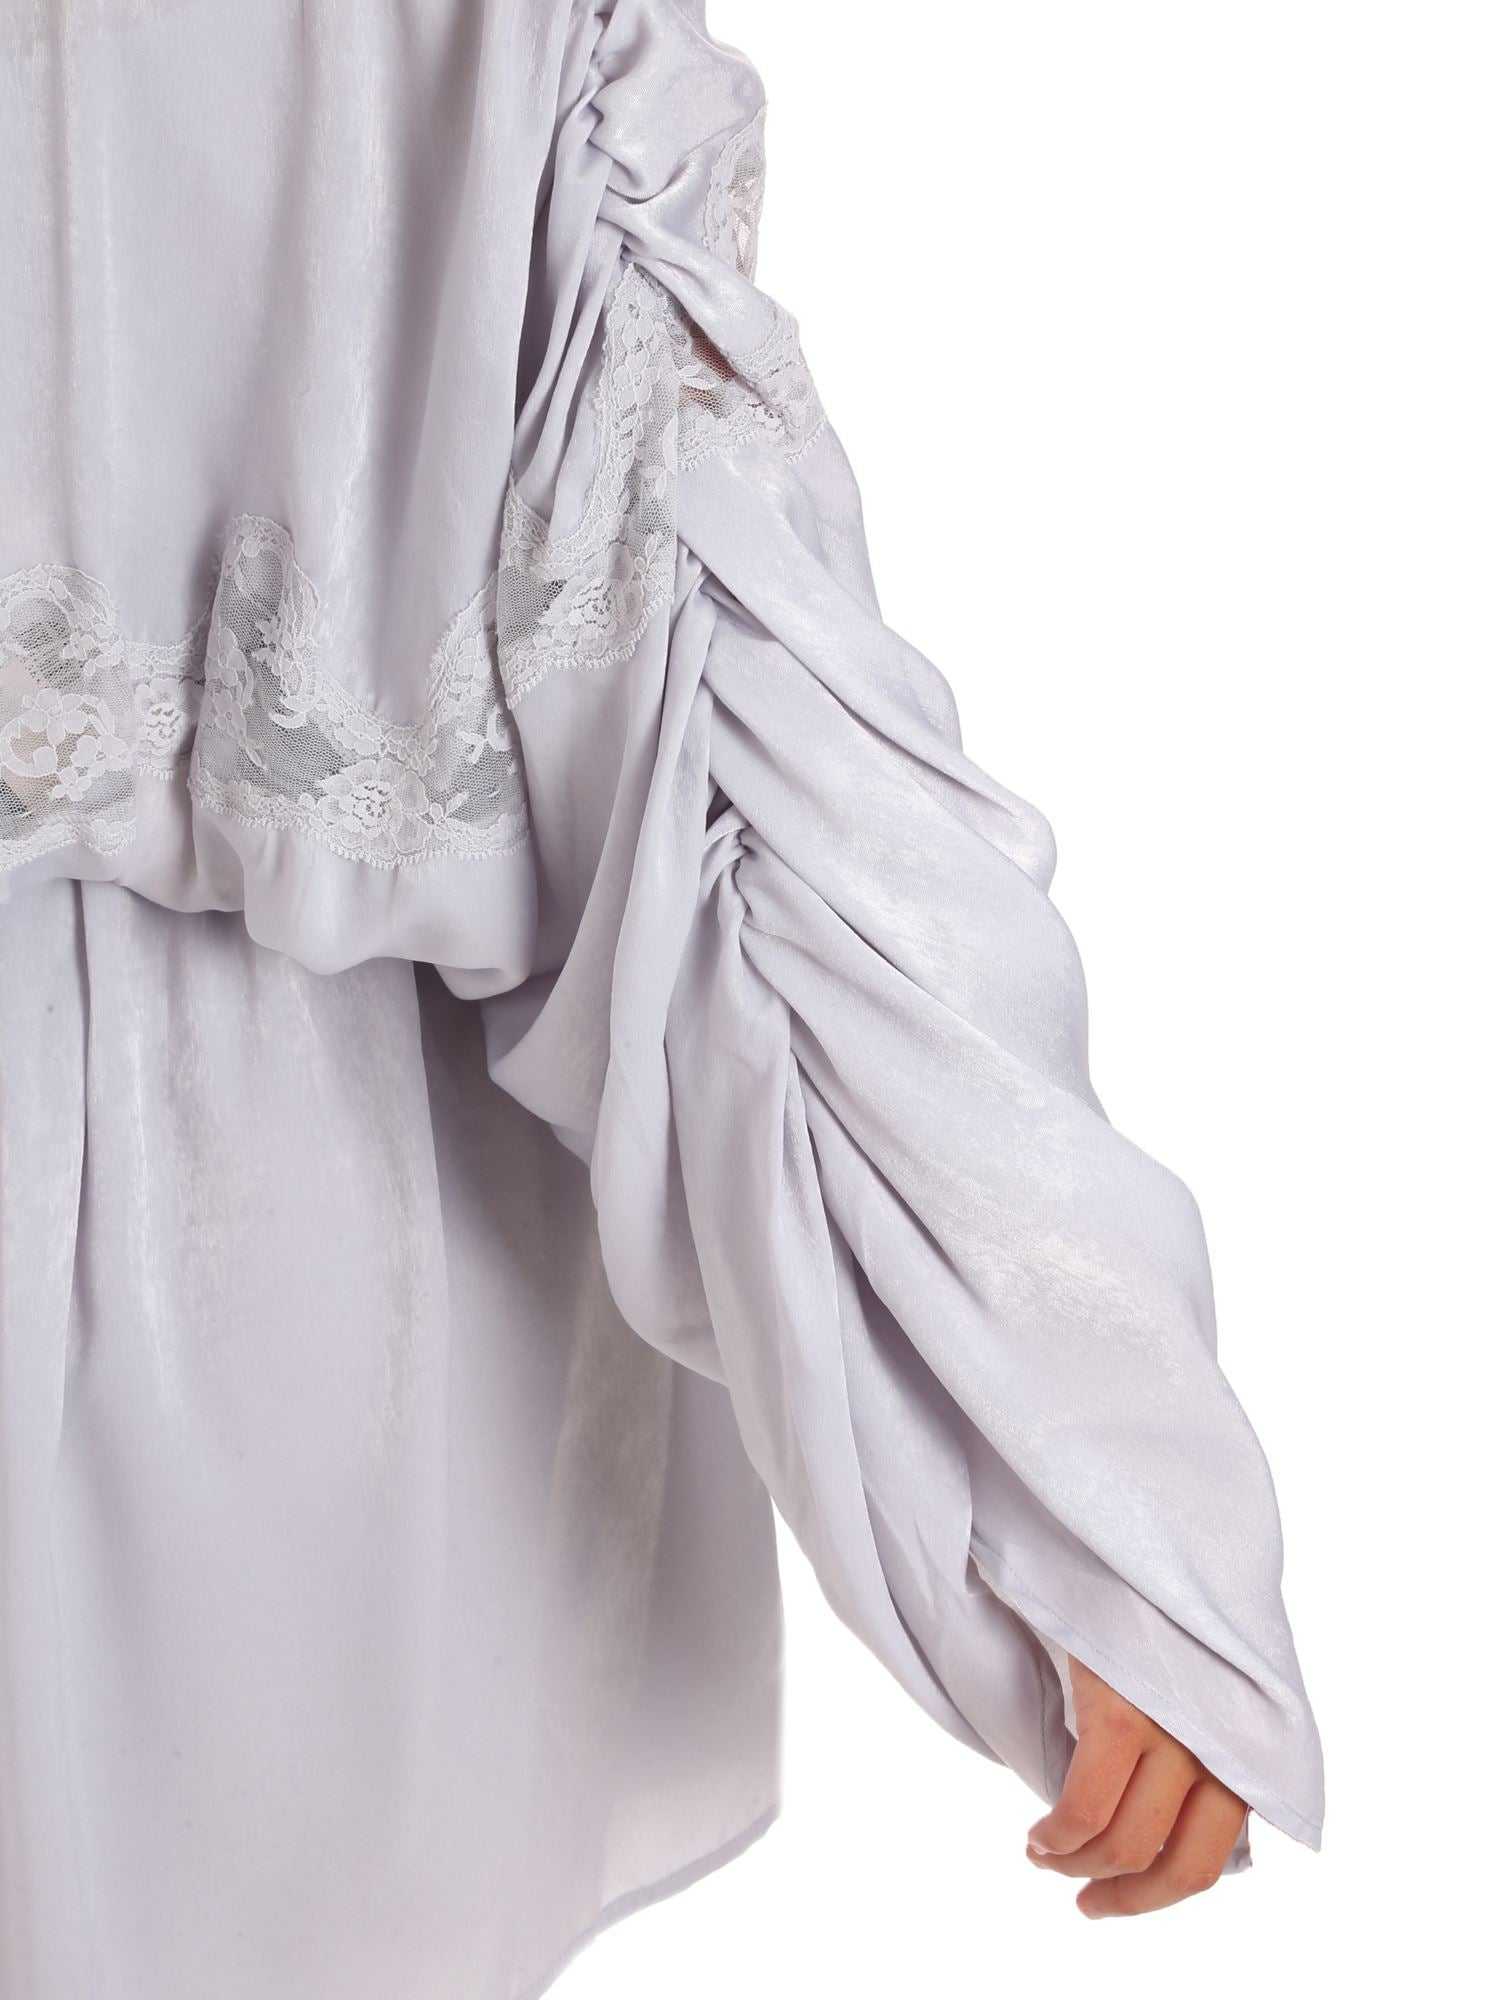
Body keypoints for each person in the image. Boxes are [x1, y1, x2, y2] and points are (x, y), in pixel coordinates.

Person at [0, 2, 1323, 1992]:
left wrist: (1062, 1467)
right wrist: (1069, 1476)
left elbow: (704, 671)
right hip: (291, 1348)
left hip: (270, 1348)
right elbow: (712, 682)